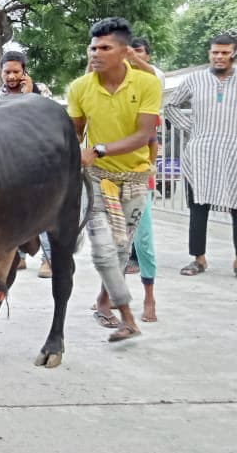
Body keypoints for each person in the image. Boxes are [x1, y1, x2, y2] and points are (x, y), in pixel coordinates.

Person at [67, 17, 160, 342]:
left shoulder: (147, 84)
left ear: (123, 52)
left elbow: (145, 134)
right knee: (104, 251)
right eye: (92, 47)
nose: (96, 53)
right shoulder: (79, 88)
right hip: (97, 179)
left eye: (105, 47)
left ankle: (103, 303)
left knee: (120, 252)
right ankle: (128, 317)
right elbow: (75, 133)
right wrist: (74, 153)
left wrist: (99, 148)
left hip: (135, 178)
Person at [164, 33, 237, 278]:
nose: (219, 57)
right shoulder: (194, 79)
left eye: (225, 52)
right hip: (200, 153)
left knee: (236, 208)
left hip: (233, 152)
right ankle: (199, 259)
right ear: (209, 53)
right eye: (215, 52)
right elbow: (171, 105)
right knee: (198, 207)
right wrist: (191, 127)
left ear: (233, 54)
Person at [0, 51, 53, 276]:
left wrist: (29, 94)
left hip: (37, 161)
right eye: (7, 72)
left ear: (24, 71)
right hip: (10, 163)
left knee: (41, 213)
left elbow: (47, 120)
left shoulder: (40, 91)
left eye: (16, 71)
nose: (11, 76)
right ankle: (18, 257)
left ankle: (50, 260)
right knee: (13, 213)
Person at [123, 36, 163, 322]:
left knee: (143, 238)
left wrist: (150, 169)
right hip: (108, 175)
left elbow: (151, 139)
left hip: (138, 174)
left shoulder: (150, 86)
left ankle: (150, 296)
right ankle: (110, 295)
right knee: (112, 241)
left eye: (138, 53)